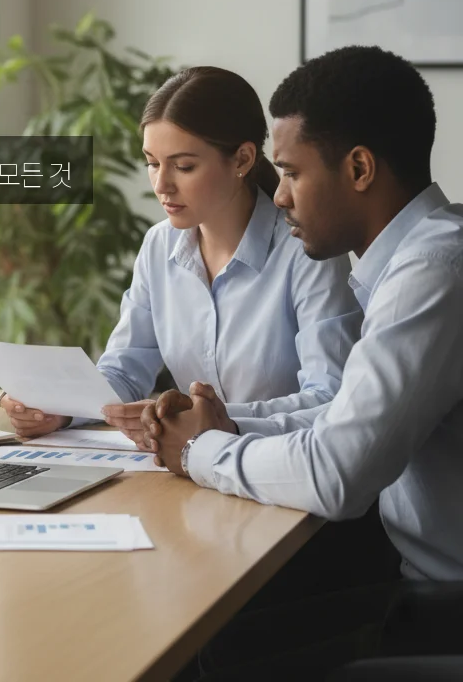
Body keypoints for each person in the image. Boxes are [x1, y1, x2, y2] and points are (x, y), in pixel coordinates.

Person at [142, 46, 463, 676]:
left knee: (211, 649)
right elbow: (343, 413)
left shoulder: (433, 273)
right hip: (411, 575)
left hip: (442, 601)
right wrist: (227, 429)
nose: (279, 196)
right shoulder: (411, 262)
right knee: (210, 631)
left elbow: (336, 475)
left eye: (291, 172)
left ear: (360, 168)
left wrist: (198, 452)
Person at [0, 66, 361, 444]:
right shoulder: (159, 246)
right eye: (152, 163)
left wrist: (209, 420)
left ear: (241, 159)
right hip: (190, 471)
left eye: (183, 166)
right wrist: (61, 409)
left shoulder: (307, 251)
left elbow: (329, 397)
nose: (161, 185)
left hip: (282, 471)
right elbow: (124, 370)